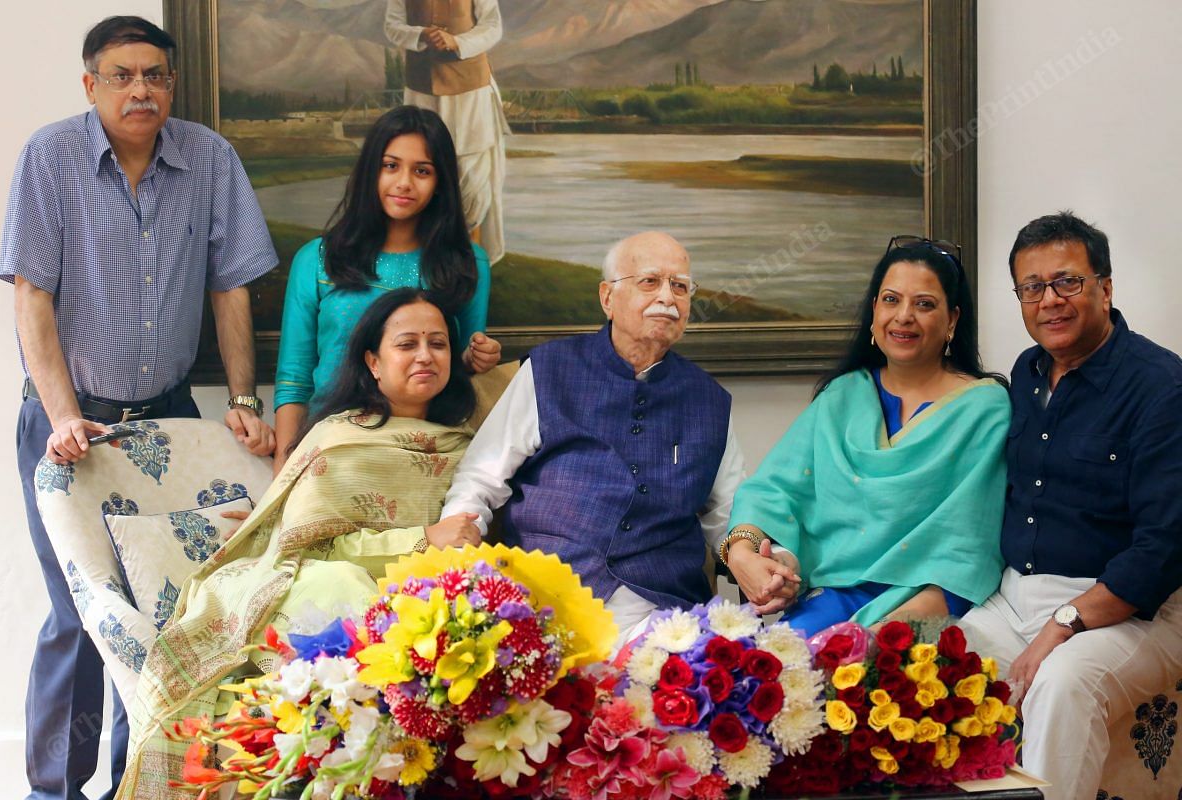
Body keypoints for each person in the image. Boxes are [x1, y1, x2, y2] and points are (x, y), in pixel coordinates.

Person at [0, 16, 278, 800]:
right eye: (121, 75)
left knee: (163, 615)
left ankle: (140, 782)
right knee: (77, 613)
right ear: (91, 85)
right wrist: (60, 416)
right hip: (68, 424)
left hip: (168, 424)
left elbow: (232, 287)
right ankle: (55, 789)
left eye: (154, 75)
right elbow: (33, 298)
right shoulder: (50, 157)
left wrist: (245, 398)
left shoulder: (210, 159)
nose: (141, 89)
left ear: (172, 84)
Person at [117, 288, 483, 798]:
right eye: (408, 343)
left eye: (438, 344)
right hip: (321, 581)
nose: (425, 355)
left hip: (425, 596)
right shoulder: (338, 437)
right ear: (373, 362)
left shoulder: (467, 445)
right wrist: (422, 539)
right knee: (348, 587)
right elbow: (309, 546)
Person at [957, 212, 1182, 800]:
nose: (1049, 301)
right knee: (939, 661)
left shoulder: (1163, 388)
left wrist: (1064, 624)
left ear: (1105, 287)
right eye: (1032, 288)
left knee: (1063, 683)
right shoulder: (1028, 374)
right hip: (1014, 598)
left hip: (1132, 611)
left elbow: (1162, 551)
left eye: (1067, 282)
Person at [440, 231, 753, 645]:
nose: (667, 297)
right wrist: (459, 550)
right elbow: (480, 478)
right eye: (649, 281)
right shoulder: (548, 370)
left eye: (680, 286)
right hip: (546, 605)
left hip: (664, 617)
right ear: (607, 298)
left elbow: (728, 515)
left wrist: (756, 555)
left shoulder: (710, 401)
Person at [725, 237, 1011, 633]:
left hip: (927, 604)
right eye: (891, 300)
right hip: (831, 596)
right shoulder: (843, 396)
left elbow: (968, 548)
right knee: (769, 676)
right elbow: (773, 491)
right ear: (874, 310)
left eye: (924, 304)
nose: (904, 316)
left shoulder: (985, 409)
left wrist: (877, 637)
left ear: (953, 320)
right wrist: (743, 554)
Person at [273, 105, 500, 473]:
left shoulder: (466, 262)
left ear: (441, 182)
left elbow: (454, 372)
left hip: (427, 457)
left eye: (422, 170)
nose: (404, 182)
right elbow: (294, 381)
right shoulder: (317, 260)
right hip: (331, 455)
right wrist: (283, 480)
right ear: (369, 172)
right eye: (391, 166)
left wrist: (478, 359)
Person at [384, 0, 508, 263]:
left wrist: (457, 43)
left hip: (470, 91)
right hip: (421, 90)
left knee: (470, 178)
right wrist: (420, 35)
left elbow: (493, 26)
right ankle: (427, 261)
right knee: (420, 166)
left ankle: (470, 264)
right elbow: (392, 26)